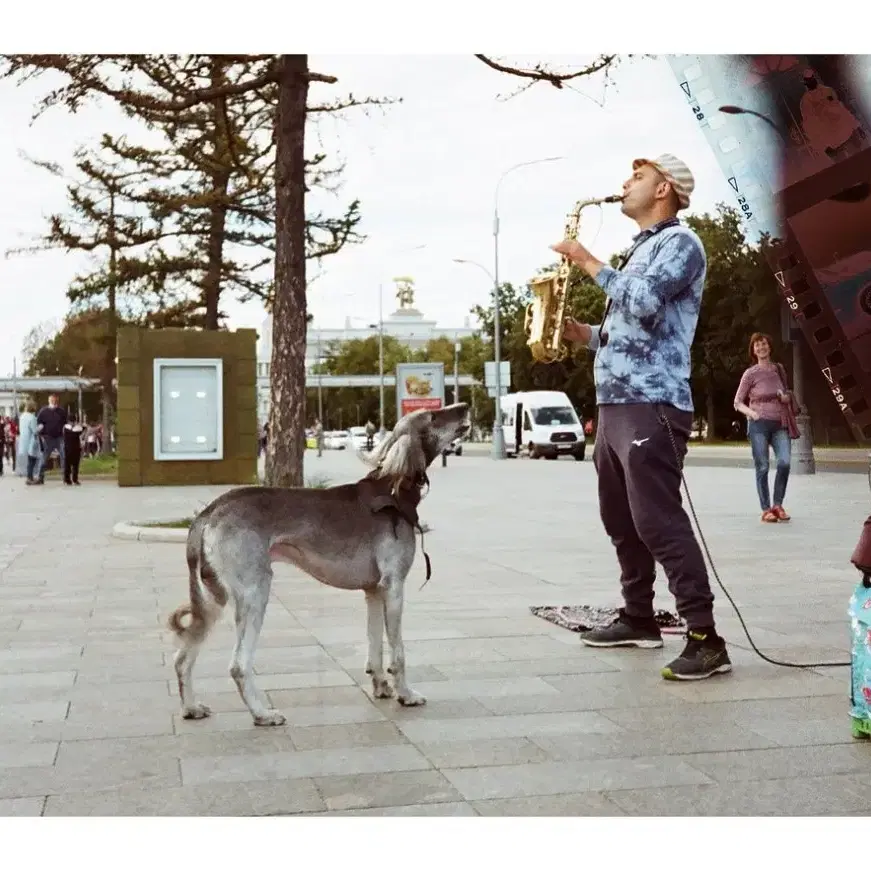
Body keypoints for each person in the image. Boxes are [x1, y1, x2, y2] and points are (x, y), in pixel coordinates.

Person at [554, 153, 731, 681]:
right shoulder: (641, 249)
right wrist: (584, 336)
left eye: (638, 175)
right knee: (621, 519)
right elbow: (630, 334)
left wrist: (587, 260)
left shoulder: (681, 243)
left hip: (652, 403)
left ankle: (705, 637)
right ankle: (638, 617)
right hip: (616, 404)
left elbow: (646, 301)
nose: (625, 182)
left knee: (658, 520)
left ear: (665, 189)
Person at [733, 332, 794, 523]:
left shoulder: (778, 369)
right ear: (753, 350)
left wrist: (784, 398)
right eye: (757, 345)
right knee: (763, 467)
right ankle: (766, 509)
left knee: (784, 462)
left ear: (770, 347)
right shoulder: (750, 374)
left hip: (779, 423)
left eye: (764, 344)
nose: (761, 347)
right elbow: (737, 402)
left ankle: (778, 504)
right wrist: (752, 414)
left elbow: (787, 395)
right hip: (758, 425)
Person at [35, 394, 67, 484]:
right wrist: (41, 434)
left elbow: (65, 423)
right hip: (48, 438)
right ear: (49, 401)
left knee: (64, 456)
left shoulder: (61, 411)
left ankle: (65, 477)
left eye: (56, 400)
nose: (54, 402)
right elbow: (39, 424)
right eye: (52, 400)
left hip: (59, 437)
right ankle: (40, 477)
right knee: (44, 458)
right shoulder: (43, 411)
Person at [18, 400, 42, 485]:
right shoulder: (32, 417)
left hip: (24, 440)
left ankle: (30, 477)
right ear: (33, 407)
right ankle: (29, 478)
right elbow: (35, 431)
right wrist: (41, 426)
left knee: (30, 460)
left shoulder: (22, 416)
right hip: (31, 441)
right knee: (32, 460)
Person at [63, 414, 85, 486]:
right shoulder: (78, 429)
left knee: (72, 465)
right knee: (70, 465)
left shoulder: (65, 428)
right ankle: (71, 479)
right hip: (73, 448)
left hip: (70, 448)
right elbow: (84, 427)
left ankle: (70, 479)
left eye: (72, 421)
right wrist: (80, 425)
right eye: (71, 421)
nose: (72, 423)